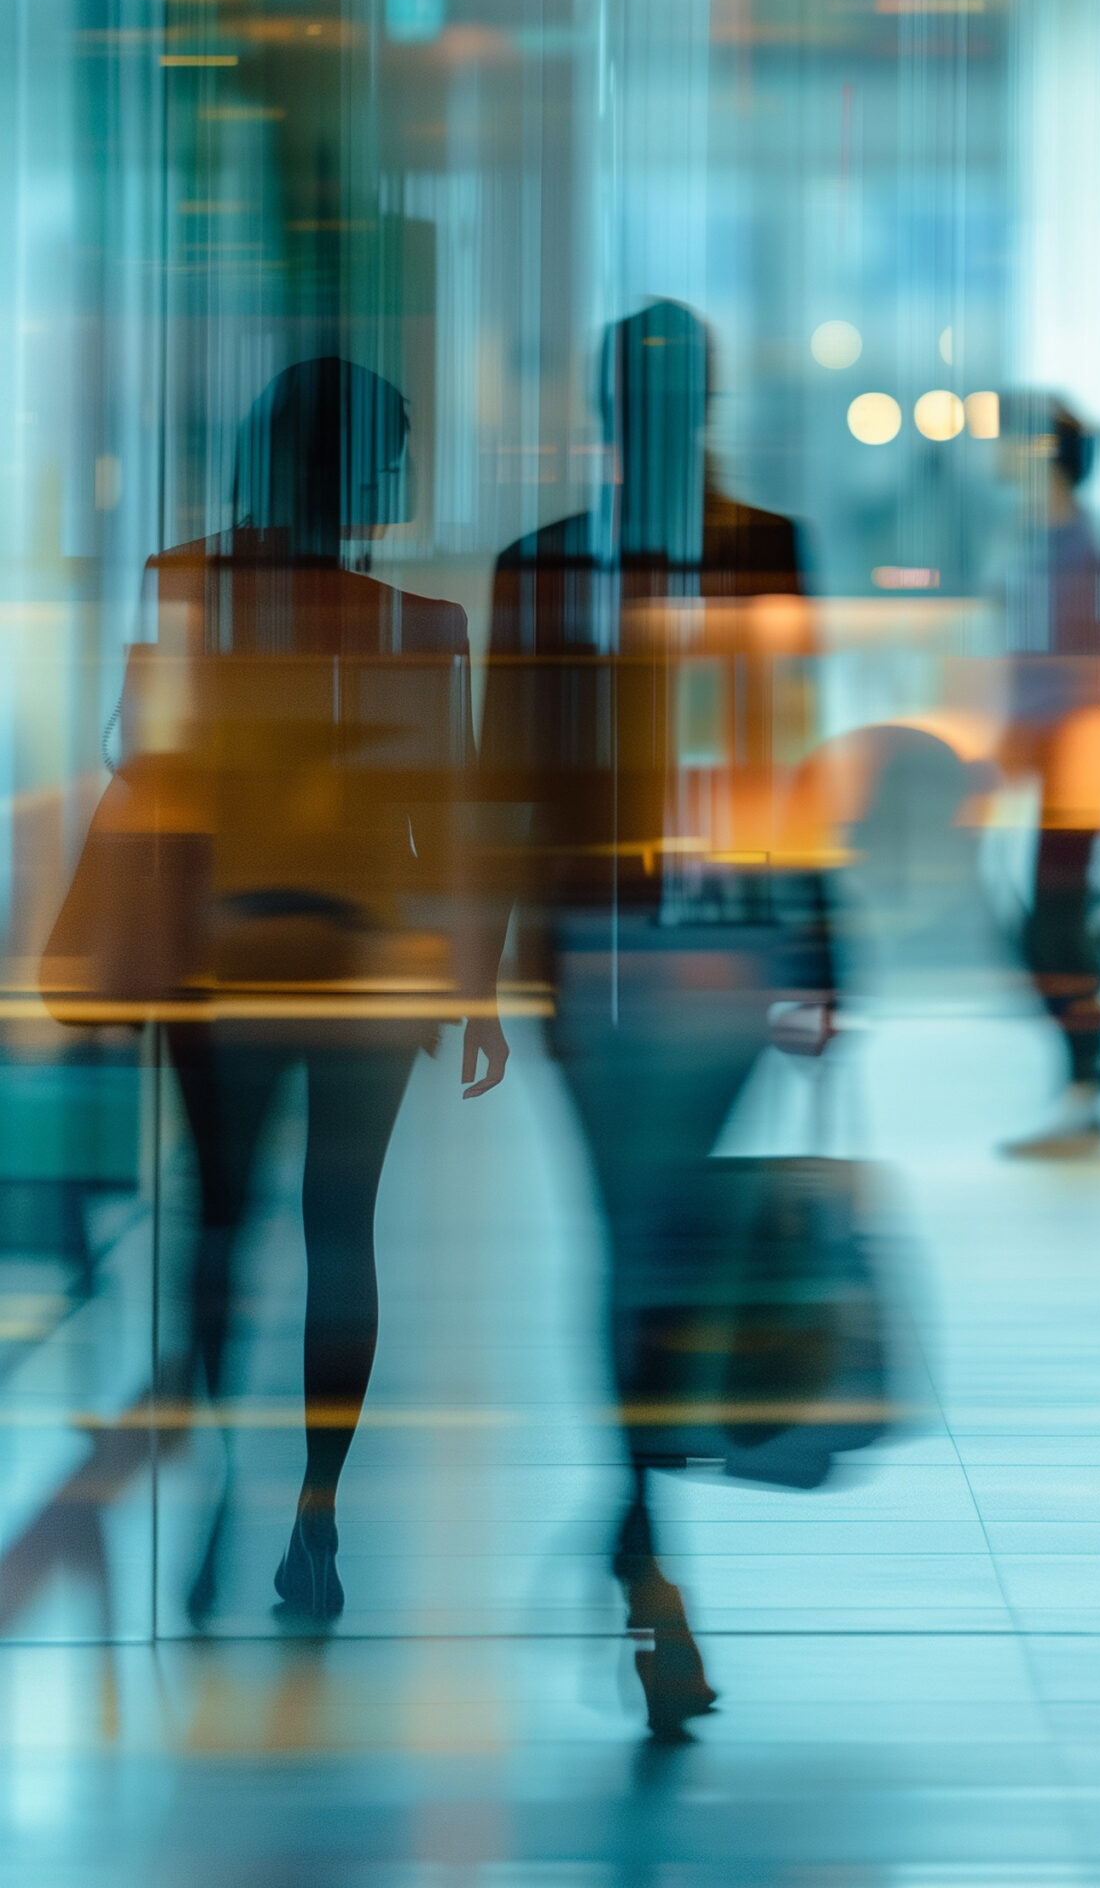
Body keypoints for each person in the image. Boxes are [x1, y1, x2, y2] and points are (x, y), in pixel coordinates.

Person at [71, 358, 507, 1626]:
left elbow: (144, 760)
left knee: (218, 1226)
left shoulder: (184, 587)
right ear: (347, 466)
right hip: (367, 961)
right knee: (337, 1234)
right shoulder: (421, 627)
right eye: (385, 457)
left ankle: (212, 1482)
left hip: (223, 951)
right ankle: (314, 1512)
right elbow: (457, 826)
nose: (392, 482)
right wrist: (474, 987)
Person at [479, 298, 828, 1738]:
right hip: (705, 948)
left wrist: (498, 969)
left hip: (613, 952)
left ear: (605, 409)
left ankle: (638, 1531)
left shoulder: (543, 568)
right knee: (653, 1238)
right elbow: (788, 762)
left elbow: (511, 781)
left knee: (637, 1241)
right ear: (696, 408)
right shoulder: (756, 552)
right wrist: (821, 949)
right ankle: (640, 1533)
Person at [991, 393, 1100, 1154]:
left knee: (1048, 921)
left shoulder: (1084, 551)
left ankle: (1087, 1076)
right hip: (1050, 758)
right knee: (1046, 918)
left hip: (1074, 759)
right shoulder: (1044, 544)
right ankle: (1085, 1072)